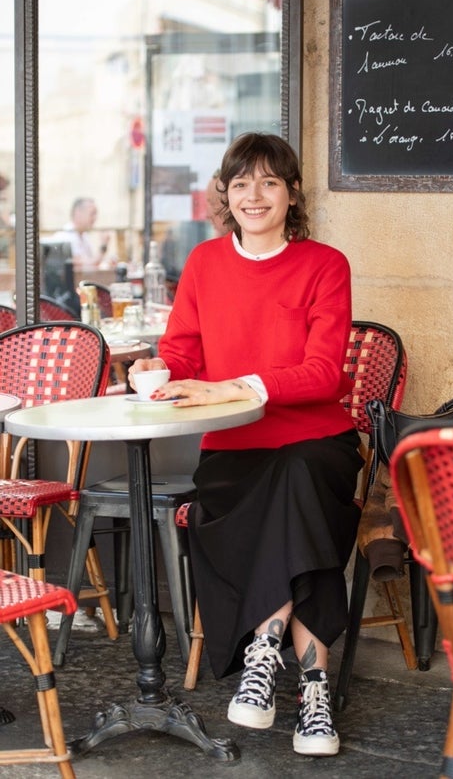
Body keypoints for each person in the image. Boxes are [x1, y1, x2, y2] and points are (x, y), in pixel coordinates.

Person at [128, 132, 363, 757]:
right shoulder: (204, 263)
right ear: (225, 195)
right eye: (240, 183)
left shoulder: (325, 265)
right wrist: (158, 368)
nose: (253, 195)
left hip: (319, 441)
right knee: (298, 511)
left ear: (292, 194)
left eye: (269, 182)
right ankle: (314, 691)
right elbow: (183, 353)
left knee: (299, 476)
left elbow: (324, 374)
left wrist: (234, 385)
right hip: (233, 450)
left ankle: (266, 648)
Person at [52, 197, 109, 266]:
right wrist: (103, 246)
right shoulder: (64, 237)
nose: (95, 218)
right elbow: (86, 265)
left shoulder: (84, 236)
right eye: (92, 213)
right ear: (78, 213)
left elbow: (92, 263)